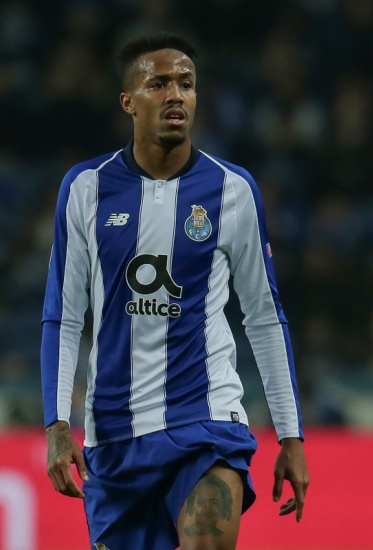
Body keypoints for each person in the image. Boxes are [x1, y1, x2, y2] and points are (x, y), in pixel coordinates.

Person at [40, 32, 309, 550]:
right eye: (158, 84)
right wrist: (55, 425)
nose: (175, 95)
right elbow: (64, 316)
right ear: (128, 102)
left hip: (206, 421)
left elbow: (264, 316)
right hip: (115, 433)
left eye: (186, 84)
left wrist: (291, 435)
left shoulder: (232, 190)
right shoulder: (85, 188)